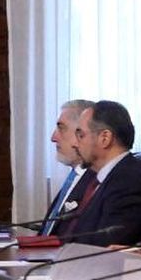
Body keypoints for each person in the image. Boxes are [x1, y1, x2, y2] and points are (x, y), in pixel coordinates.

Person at [59, 101, 141, 246]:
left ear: (104, 138)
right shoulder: (98, 179)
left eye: (81, 135)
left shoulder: (130, 182)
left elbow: (107, 246)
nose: (75, 144)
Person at [39, 98, 96, 235]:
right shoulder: (74, 176)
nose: (53, 137)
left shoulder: (96, 181)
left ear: (81, 133)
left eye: (61, 128)